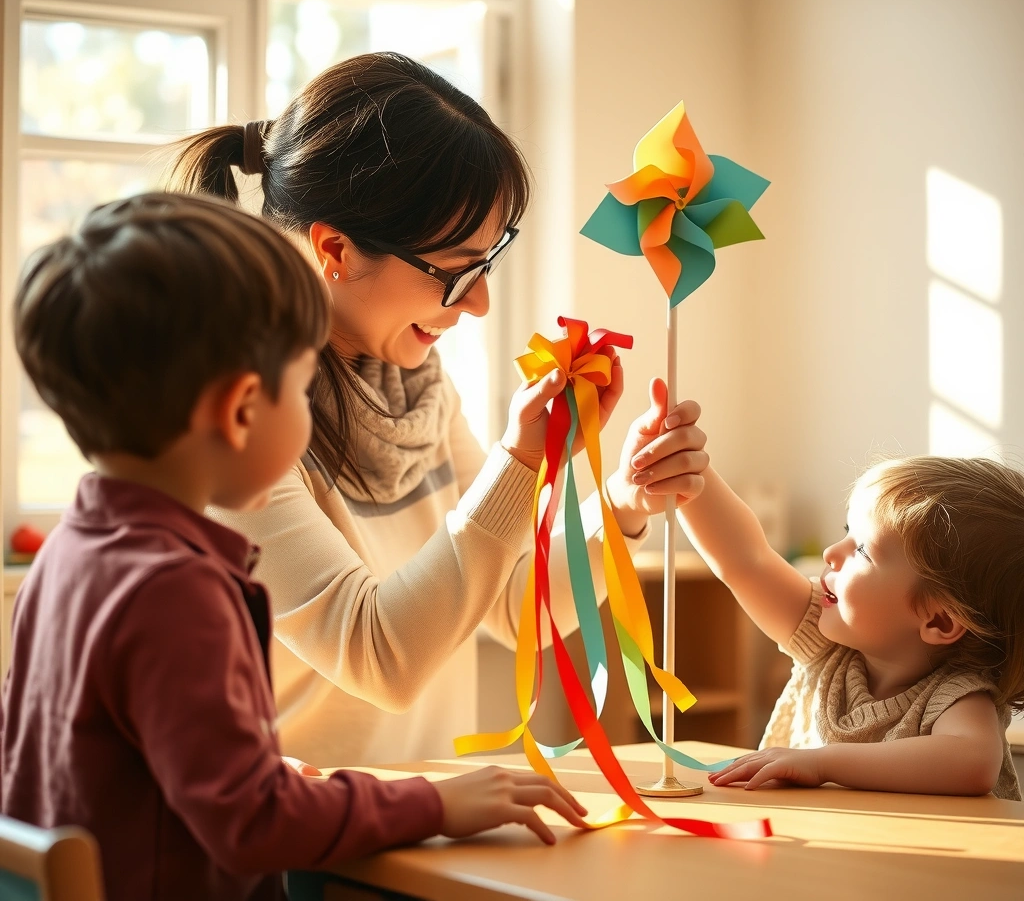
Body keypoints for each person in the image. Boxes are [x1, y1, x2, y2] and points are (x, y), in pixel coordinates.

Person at [0, 193, 589, 901]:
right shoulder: (176, 590)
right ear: (243, 408)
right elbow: (252, 823)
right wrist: (436, 803)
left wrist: (268, 778)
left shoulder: (69, 555)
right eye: (304, 387)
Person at [171, 52, 710, 768]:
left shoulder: (416, 387)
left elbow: (516, 606)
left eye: (487, 267)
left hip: (417, 825)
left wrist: (623, 503)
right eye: (457, 272)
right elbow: (380, 660)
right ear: (335, 249)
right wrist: (519, 462)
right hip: (296, 851)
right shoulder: (239, 427)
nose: (479, 303)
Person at [663, 437, 1022, 799]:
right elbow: (747, 560)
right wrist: (689, 471)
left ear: (939, 622)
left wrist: (823, 763)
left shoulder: (957, 693)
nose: (832, 552)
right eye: (846, 532)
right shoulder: (827, 645)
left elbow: (972, 764)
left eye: (863, 551)